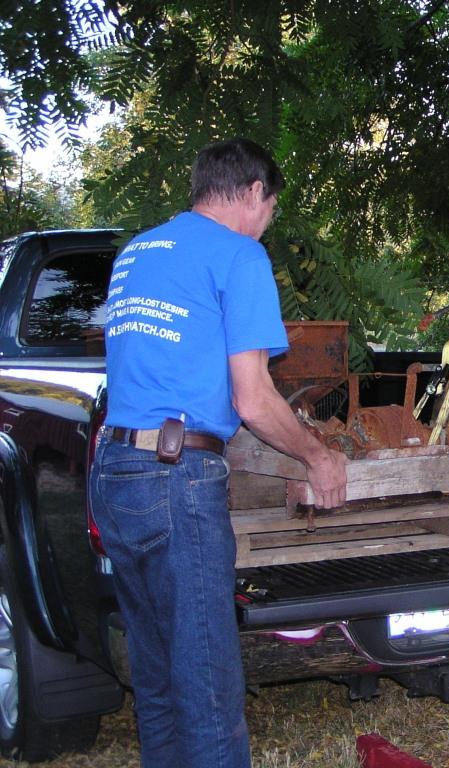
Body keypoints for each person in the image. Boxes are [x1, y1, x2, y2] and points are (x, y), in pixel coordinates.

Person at [89, 137, 349, 768]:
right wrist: (318, 457)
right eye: (272, 208)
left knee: (157, 685)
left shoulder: (137, 251)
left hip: (115, 472)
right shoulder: (240, 255)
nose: (268, 224)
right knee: (207, 690)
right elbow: (254, 397)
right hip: (174, 484)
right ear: (256, 192)